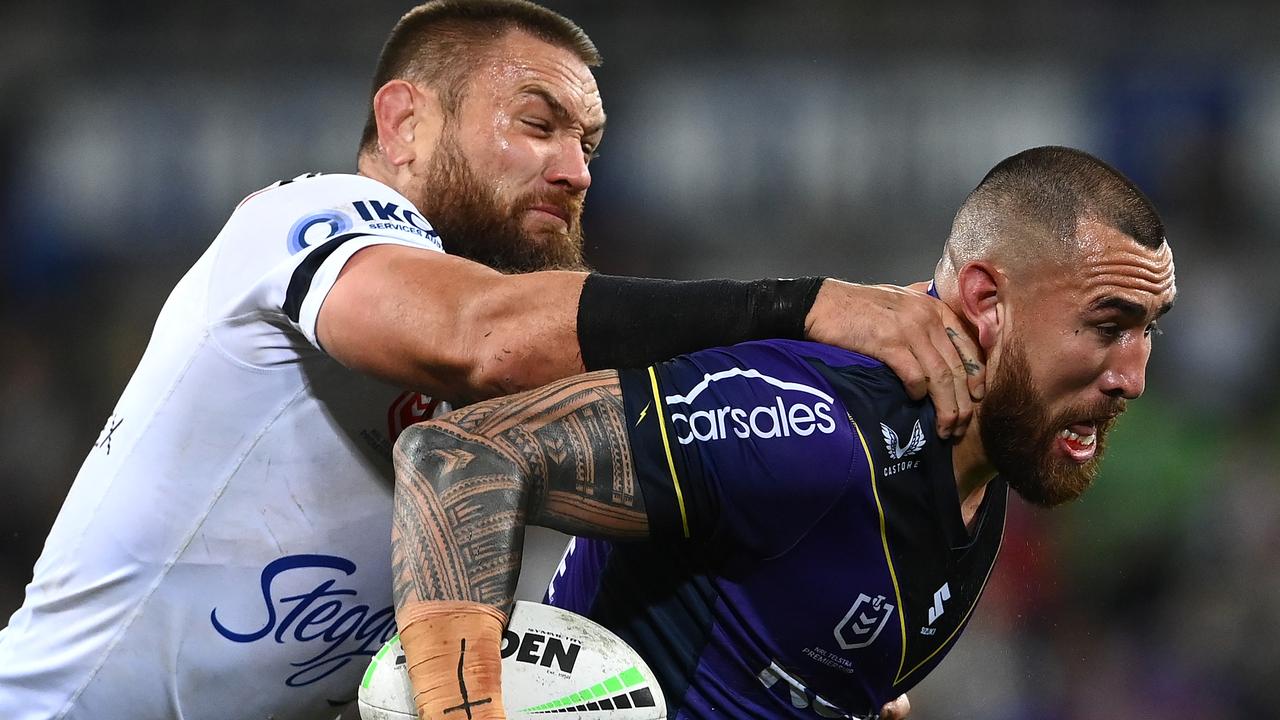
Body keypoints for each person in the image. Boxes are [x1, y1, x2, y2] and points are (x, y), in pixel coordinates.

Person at [0, 2, 981, 719]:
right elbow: (481, 335)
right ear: (403, 123)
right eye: (537, 123)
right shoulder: (305, 222)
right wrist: (798, 306)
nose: (576, 168)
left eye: (589, 141)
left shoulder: (538, 425)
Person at [389, 145, 1177, 720]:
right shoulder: (814, 427)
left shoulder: (980, 464)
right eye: (1107, 326)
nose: (1132, 377)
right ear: (986, 299)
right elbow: (461, 456)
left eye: (1149, 331)